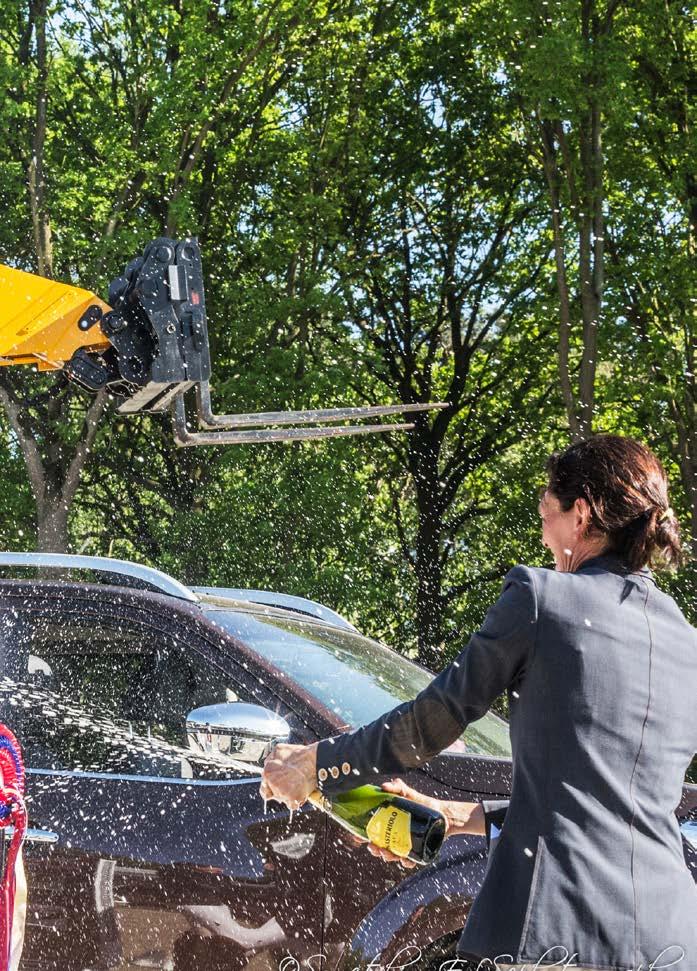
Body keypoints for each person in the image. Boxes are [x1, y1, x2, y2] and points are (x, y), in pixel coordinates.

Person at [260, 434, 697, 970]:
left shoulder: (542, 600)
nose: (543, 537)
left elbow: (432, 722)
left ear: (579, 515)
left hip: (552, 932)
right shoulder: (684, 639)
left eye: (546, 517)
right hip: (670, 938)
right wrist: (452, 813)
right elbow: (602, 805)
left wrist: (318, 765)